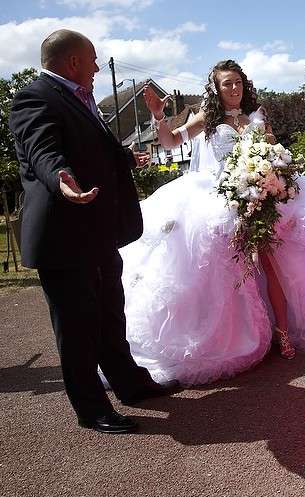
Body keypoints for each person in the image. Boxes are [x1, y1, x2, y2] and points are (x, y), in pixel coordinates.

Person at [122, 60, 305, 386]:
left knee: (274, 260)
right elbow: (170, 143)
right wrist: (158, 116)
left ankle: (282, 332)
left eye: (237, 82)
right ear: (216, 88)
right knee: (232, 268)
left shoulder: (257, 115)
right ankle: (242, 336)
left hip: (263, 191)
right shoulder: (206, 120)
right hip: (222, 199)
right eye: (227, 84)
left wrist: (274, 175)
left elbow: (271, 149)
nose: (234, 89)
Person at [8, 29, 180, 434]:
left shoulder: (79, 98)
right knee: (77, 326)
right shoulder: (35, 97)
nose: (99, 67)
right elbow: (43, 151)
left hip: (98, 231)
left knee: (109, 313)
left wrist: (122, 158)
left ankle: (130, 384)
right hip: (63, 237)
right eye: (94, 59)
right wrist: (62, 178)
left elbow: (91, 146)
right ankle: (91, 408)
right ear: (73, 63)